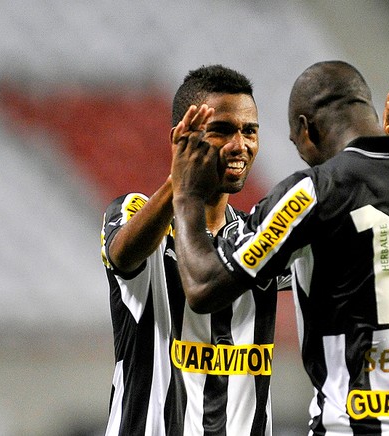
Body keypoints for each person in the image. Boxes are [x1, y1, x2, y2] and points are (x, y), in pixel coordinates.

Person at [170, 60, 389, 435]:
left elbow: (204, 287)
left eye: (296, 143)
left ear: (306, 129)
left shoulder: (312, 192)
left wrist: (186, 194)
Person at [100, 65, 294, 436]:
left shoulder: (259, 235)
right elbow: (124, 255)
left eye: (249, 131)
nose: (241, 145)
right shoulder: (136, 213)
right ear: (181, 138)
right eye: (222, 130)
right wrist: (180, 181)